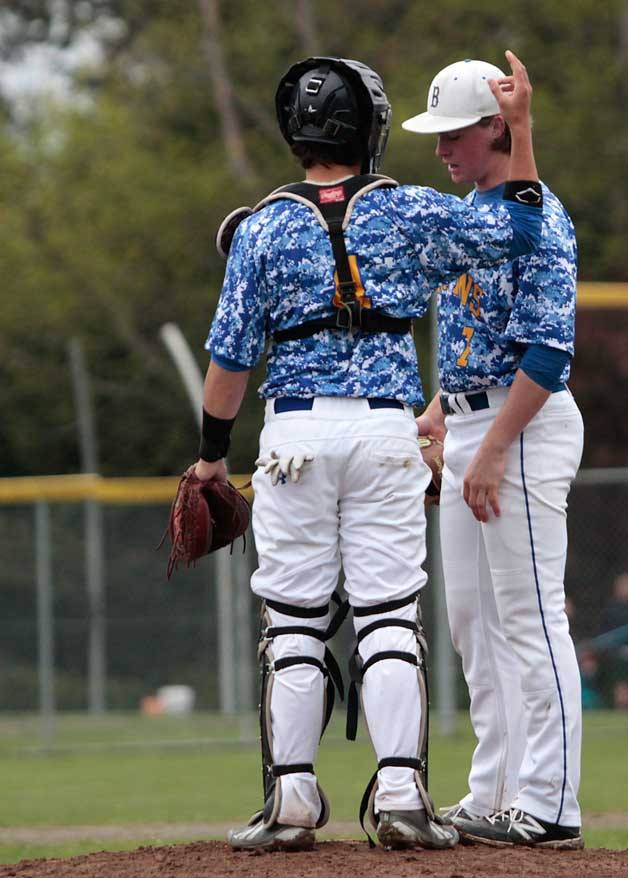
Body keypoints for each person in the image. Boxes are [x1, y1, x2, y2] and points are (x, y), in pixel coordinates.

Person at [196, 52, 543, 853]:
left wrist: (211, 457)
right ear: (372, 129)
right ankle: (402, 797)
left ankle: (290, 800)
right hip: (388, 434)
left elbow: (229, 361)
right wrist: (519, 129)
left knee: (294, 622)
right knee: (389, 616)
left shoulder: (261, 226)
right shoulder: (408, 209)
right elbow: (521, 227)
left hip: (295, 436)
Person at [405, 59, 584, 849]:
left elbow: (548, 352)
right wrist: (438, 415)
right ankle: (496, 791)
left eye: (455, 134)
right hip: (474, 425)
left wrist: (493, 448)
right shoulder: (471, 215)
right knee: (474, 625)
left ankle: (550, 804)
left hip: (525, 428)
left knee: (530, 618)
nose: (442, 148)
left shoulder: (541, 216)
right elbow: (472, 341)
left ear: (495, 128)